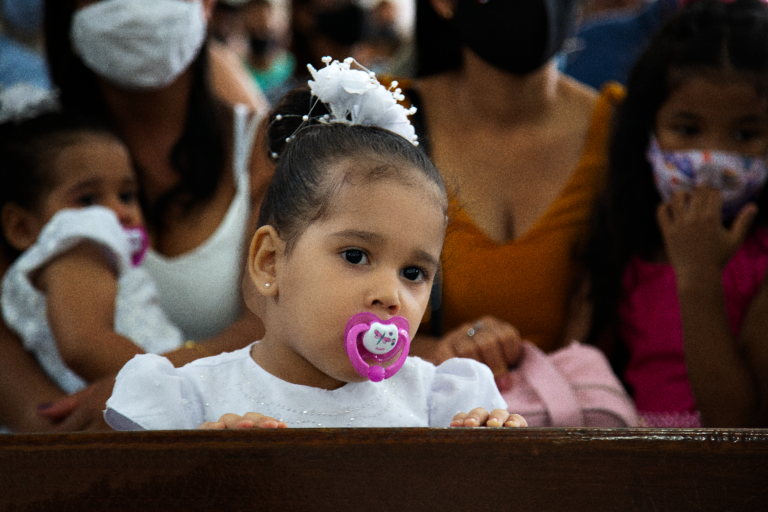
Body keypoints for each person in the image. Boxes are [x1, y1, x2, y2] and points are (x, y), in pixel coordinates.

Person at [104, 59, 528, 430]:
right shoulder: (190, 398)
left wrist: (485, 451)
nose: (390, 295)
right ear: (270, 263)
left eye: (413, 273)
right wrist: (209, 466)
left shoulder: (440, 401)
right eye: (356, 256)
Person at [0, 0, 273, 432]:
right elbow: (70, 349)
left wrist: (154, 401)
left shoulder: (269, 149)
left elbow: (273, 326)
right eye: (88, 197)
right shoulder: (22, 151)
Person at [396, 0, 624, 390]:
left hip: (579, 436)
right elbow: (302, 323)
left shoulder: (625, 131)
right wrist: (432, 352)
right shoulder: (383, 120)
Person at [585, 0, 768, 427]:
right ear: (646, 132)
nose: (710, 158)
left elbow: (736, 423)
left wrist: (698, 274)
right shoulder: (629, 235)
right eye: (686, 129)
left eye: (746, 133)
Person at [0, 98, 218, 397]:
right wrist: (178, 388)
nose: (118, 211)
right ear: (21, 228)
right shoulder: (81, 242)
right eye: (88, 200)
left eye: (127, 195)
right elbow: (85, 346)